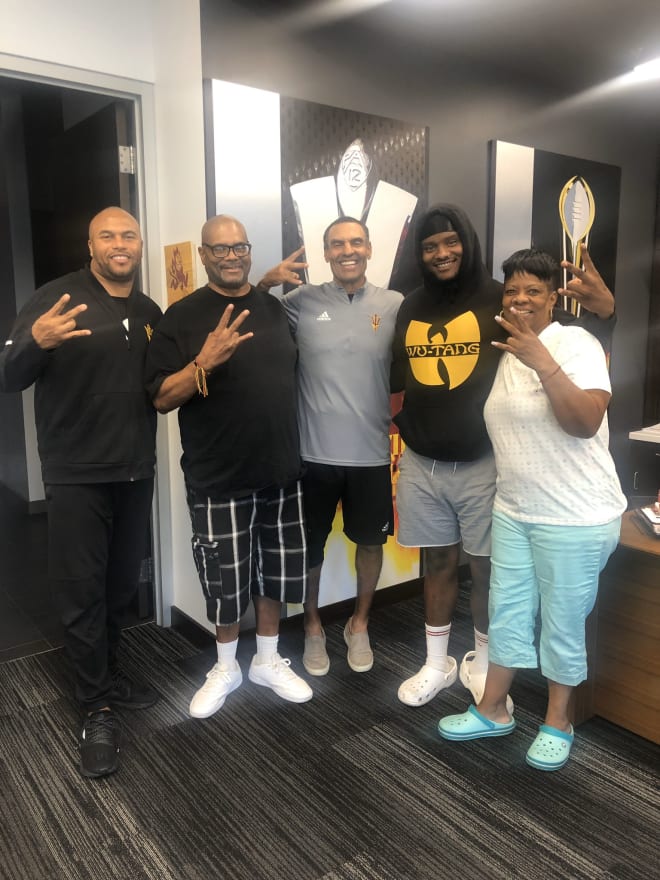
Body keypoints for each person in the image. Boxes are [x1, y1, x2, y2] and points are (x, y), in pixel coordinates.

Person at [391, 203, 616, 709]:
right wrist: (407, 428)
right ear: (419, 253)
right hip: (430, 466)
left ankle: (485, 666)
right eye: (430, 246)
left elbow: (577, 344)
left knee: (489, 575)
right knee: (441, 565)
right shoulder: (411, 305)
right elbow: (397, 377)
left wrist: (607, 310)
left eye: (452, 241)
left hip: (487, 468)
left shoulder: (499, 299)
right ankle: (437, 663)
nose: (442, 253)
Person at [438, 249, 626, 771]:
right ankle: (493, 707)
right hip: (516, 510)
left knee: (562, 622)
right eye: (512, 291)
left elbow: (585, 422)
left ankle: (558, 719)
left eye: (533, 291)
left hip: (574, 516)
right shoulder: (505, 353)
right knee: (508, 612)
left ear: (553, 299)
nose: (520, 300)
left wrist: (543, 360)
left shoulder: (576, 343)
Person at [0, 207, 162, 779]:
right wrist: (35, 343)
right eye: (107, 236)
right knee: (80, 593)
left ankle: (110, 676)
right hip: (74, 474)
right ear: (90, 244)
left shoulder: (148, 311)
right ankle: (95, 708)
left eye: (128, 235)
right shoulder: (55, 298)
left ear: (139, 244)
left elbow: (158, 387)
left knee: (120, 586)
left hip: (134, 471)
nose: (120, 244)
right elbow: (9, 374)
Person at [145, 214, 312, 719]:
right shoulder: (181, 317)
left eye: (239, 247)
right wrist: (203, 363)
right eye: (219, 249)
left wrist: (265, 283)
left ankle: (265, 659)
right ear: (203, 255)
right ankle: (225, 666)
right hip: (217, 478)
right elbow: (159, 398)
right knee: (224, 581)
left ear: (249, 250)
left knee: (276, 575)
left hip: (281, 471)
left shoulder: (273, 307)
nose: (231, 256)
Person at [266, 217, 403, 676]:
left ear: (370, 248)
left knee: (370, 544)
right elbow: (248, 315)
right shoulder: (300, 303)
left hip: (371, 455)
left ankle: (359, 625)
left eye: (356, 242)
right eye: (337, 244)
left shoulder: (395, 305)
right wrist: (265, 281)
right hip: (311, 457)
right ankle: (312, 626)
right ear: (324, 253)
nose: (348, 250)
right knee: (309, 550)